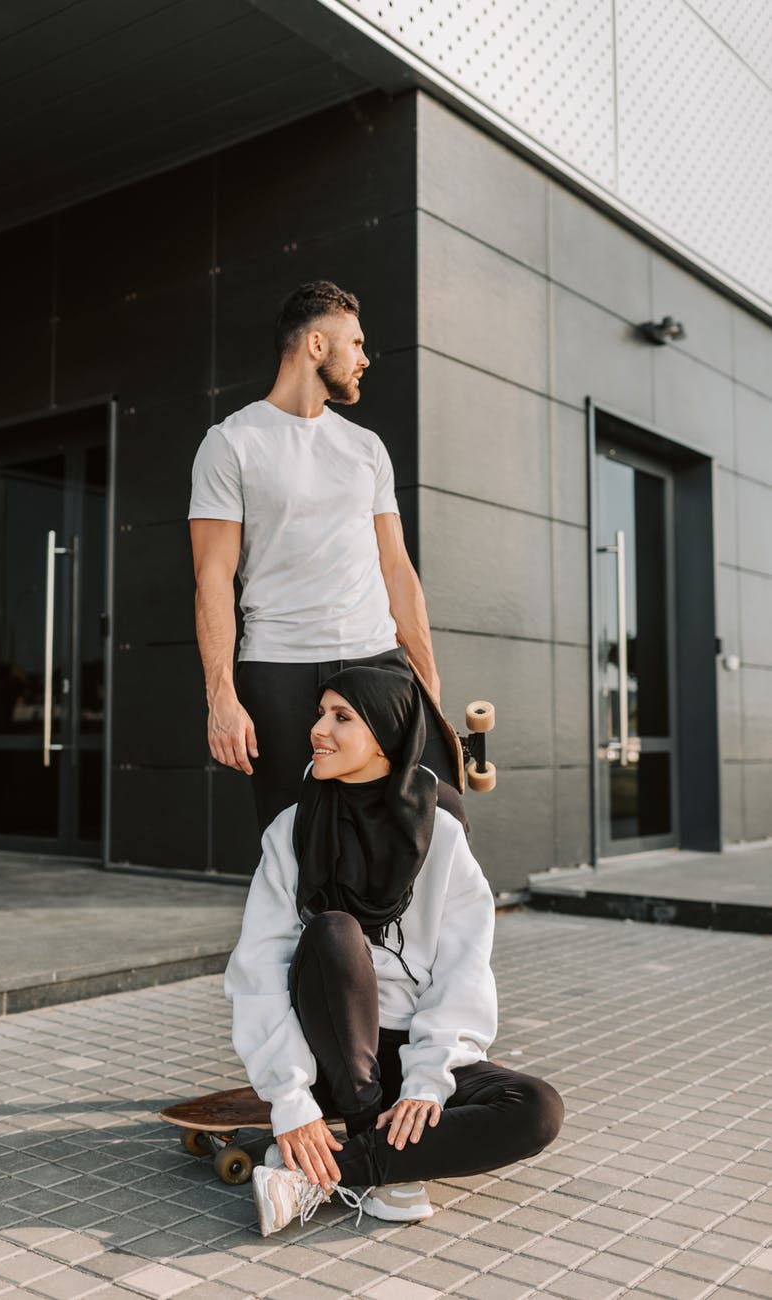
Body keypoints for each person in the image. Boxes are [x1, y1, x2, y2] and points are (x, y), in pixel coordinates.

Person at [224, 666, 563, 1237]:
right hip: (330, 1053)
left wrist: (427, 1083)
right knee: (334, 931)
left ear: (385, 734)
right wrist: (290, 1098)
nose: (318, 730)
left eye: (341, 717)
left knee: (536, 1107)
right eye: (320, 714)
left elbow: (463, 968)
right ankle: (376, 1143)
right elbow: (257, 968)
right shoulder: (292, 830)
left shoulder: (444, 835)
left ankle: (326, 1174)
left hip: (414, 1050)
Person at [188, 280, 458, 833]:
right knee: (297, 840)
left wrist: (427, 683)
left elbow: (397, 569)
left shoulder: (366, 448)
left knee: (425, 825)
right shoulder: (232, 442)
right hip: (279, 668)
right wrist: (221, 695)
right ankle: (317, 926)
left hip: (375, 660)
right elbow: (212, 578)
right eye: (355, 343)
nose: (364, 358)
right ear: (316, 345)